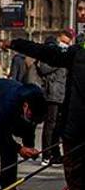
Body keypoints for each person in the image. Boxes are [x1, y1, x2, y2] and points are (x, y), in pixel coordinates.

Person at [1, 37, 85, 189]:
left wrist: (16, 44)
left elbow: (49, 54)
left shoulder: (78, 52)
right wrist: (17, 44)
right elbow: (48, 53)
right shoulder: (77, 52)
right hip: (74, 131)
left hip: (75, 130)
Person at [36, 31, 71, 166]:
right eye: (64, 42)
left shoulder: (65, 54)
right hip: (52, 93)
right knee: (50, 125)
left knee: (59, 126)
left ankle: (55, 154)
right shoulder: (52, 53)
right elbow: (43, 68)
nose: (65, 45)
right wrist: (60, 60)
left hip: (63, 93)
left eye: (67, 43)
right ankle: (46, 155)